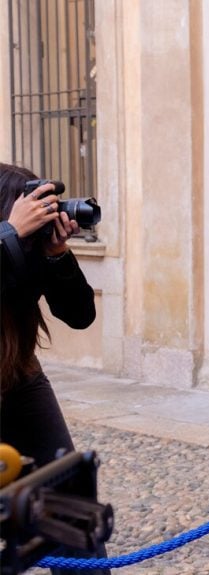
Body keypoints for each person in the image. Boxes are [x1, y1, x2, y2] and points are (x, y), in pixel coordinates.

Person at [0, 163, 108, 575]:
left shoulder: (29, 250)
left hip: (19, 377)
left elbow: (80, 315)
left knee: (66, 502)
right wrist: (10, 232)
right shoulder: (10, 238)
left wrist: (57, 253)